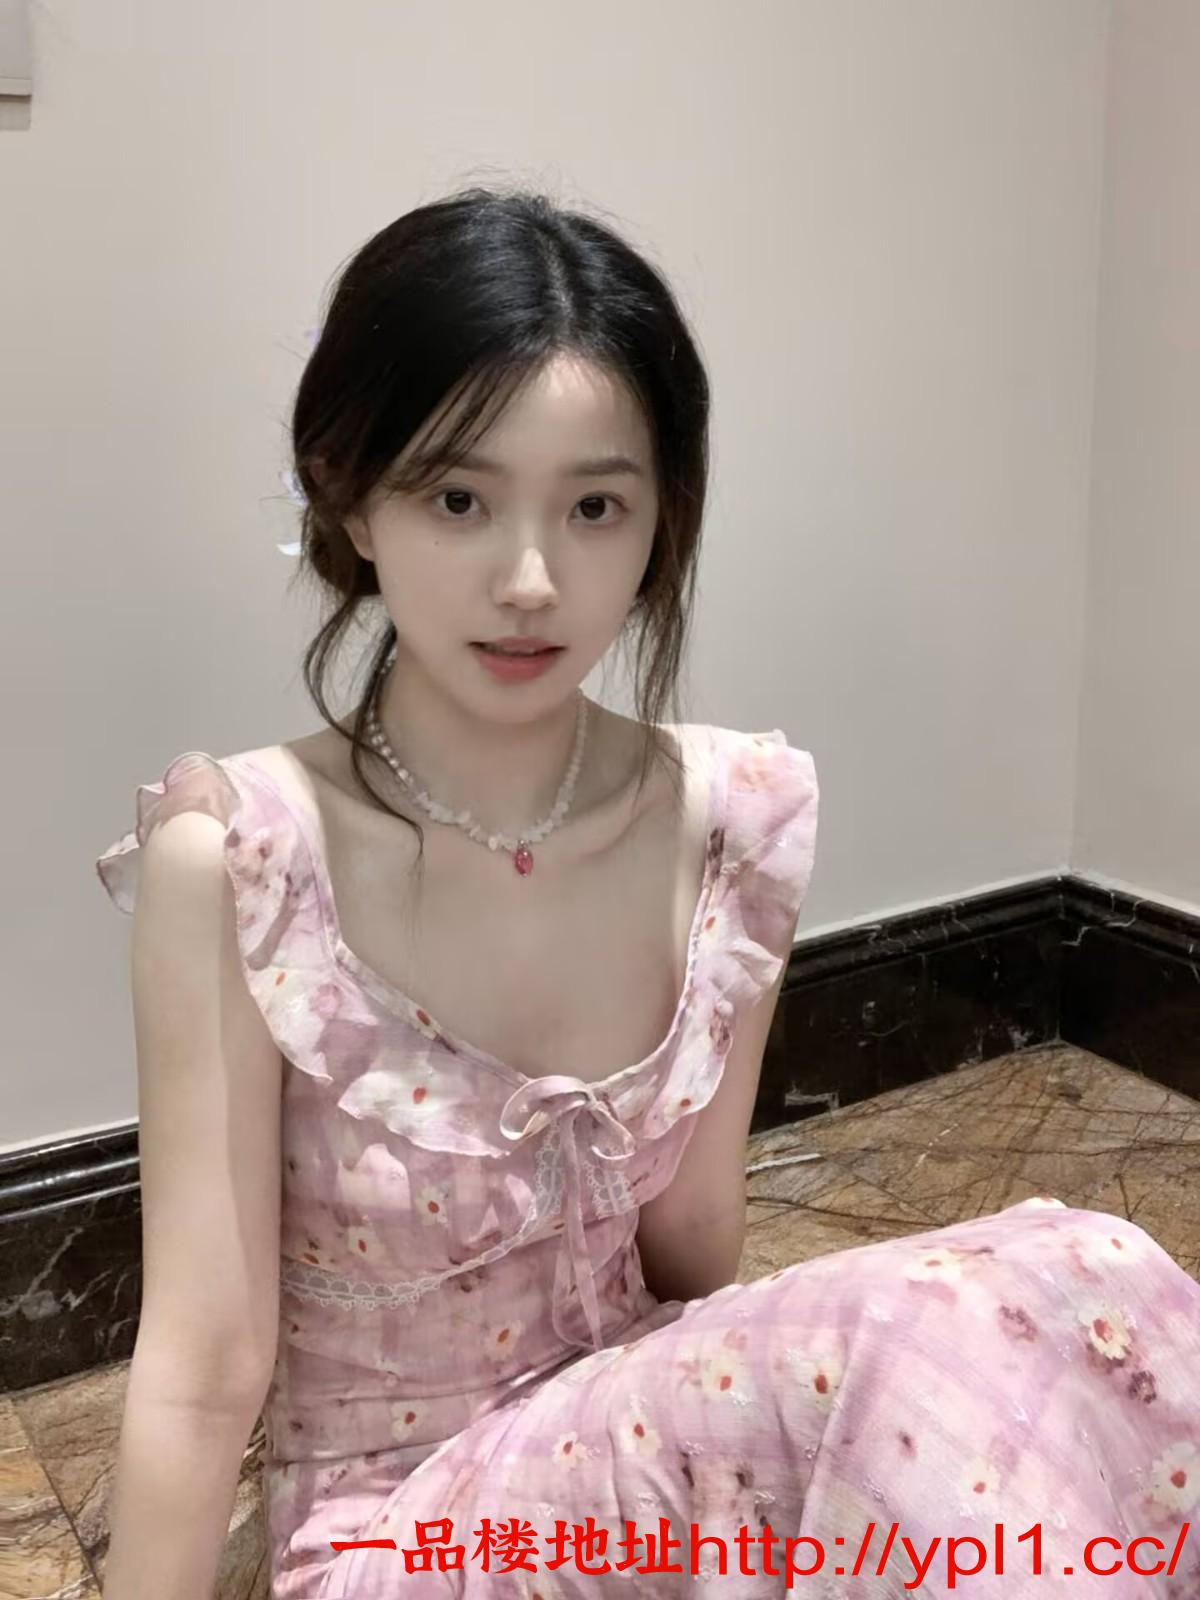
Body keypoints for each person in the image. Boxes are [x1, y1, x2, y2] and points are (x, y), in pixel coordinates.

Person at [95, 187, 1200, 1600]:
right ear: (349, 493)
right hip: (393, 1533)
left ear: (660, 517)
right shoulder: (244, 859)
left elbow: (691, 1253)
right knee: (911, 1339)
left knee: (1082, 1271)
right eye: (458, 498)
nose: (532, 579)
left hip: (627, 1470)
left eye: (596, 506)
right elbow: (203, 1373)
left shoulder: (730, 817)